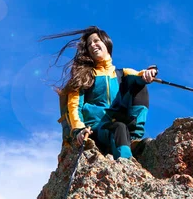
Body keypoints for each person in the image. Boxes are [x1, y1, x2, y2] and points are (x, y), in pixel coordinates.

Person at [43, 26, 157, 160]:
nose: (92, 45)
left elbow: (140, 75)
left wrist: (151, 72)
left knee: (140, 85)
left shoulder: (122, 73)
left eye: (96, 41)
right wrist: (79, 129)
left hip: (120, 125)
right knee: (118, 128)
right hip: (96, 130)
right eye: (89, 44)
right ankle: (126, 162)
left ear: (106, 43)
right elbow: (73, 107)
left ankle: (133, 139)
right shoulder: (84, 77)